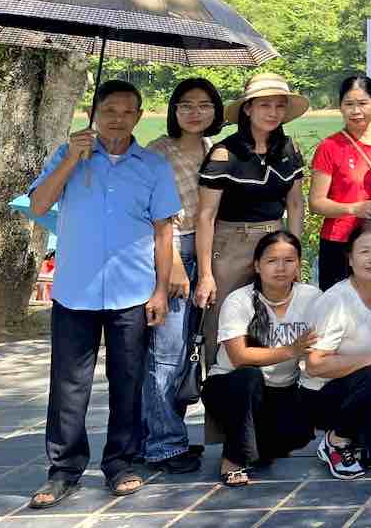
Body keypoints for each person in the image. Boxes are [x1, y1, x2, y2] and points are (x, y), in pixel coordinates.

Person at [26, 80, 180, 508]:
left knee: (127, 382)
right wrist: (70, 159)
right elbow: (38, 206)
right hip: (76, 290)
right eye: (109, 109)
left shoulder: (151, 166)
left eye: (128, 111)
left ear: (138, 116)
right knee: (68, 385)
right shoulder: (68, 156)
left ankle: (121, 463)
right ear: (94, 112)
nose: (118, 118)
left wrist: (160, 290)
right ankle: (63, 469)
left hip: (132, 292)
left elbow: (164, 233)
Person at [195, 73, 308, 374]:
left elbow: (296, 204)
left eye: (279, 106)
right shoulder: (224, 152)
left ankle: (272, 406)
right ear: (247, 108)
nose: (272, 113)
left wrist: (296, 256)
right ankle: (221, 410)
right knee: (222, 327)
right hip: (230, 243)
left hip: (275, 237)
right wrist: (206, 274)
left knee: (275, 322)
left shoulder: (289, 149)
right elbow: (206, 215)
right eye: (264, 105)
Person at [139, 78, 224, 475]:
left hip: (207, 253)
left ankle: (163, 432)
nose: (195, 112)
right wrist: (171, 260)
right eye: (186, 105)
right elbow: (152, 211)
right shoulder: (157, 152)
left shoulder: (215, 151)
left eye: (204, 105)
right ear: (173, 110)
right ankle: (162, 443)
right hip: (170, 251)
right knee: (167, 351)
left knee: (196, 347)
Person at [202, 231, 320, 486]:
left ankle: (255, 445)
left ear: (299, 264)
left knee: (287, 441)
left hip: (280, 390)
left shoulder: (312, 298)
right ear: (257, 265)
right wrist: (291, 350)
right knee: (249, 376)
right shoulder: (239, 300)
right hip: (230, 385)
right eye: (271, 261)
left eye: (289, 260)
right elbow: (239, 356)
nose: (281, 268)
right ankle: (232, 459)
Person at [302, 221, 371, 479]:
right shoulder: (335, 300)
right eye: (364, 252)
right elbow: (314, 365)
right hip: (327, 393)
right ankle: (336, 440)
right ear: (350, 258)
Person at [309, 74, 371, 290]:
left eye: (363, 103)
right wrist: (354, 208)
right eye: (349, 104)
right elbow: (316, 203)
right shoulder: (329, 147)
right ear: (340, 107)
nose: (356, 111)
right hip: (340, 242)